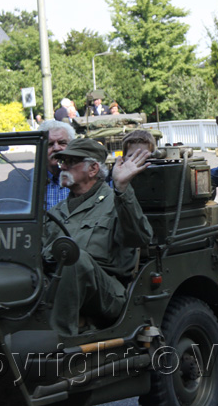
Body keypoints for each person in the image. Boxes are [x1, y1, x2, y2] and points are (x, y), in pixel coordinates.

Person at [43, 138, 153, 335]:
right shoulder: (57, 211)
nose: (63, 167)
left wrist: (122, 188)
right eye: (62, 162)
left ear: (93, 169)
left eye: (70, 162)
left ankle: (59, 339)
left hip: (106, 292)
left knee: (75, 258)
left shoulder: (115, 201)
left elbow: (140, 237)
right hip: (58, 287)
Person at [0, 120, 76, 210]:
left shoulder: (85, 179)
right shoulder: (19, 180)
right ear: (40, 148)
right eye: (50, 144)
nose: (56, 148)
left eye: (62, 143)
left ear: (72, 146)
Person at [119, 129, 218, 189]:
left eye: (143, 155)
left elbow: (210, 178)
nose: (137, 160)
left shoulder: (164, 178)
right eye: (132, 156)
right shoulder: (114, 183)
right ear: (123, 158)